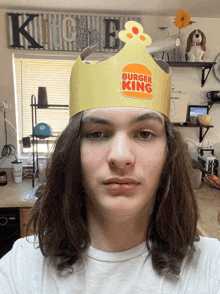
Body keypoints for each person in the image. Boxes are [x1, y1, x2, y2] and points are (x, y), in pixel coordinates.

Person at [0, 21, 220, 294]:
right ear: (72, 153)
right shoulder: (22, 269)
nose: (120, 156)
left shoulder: (211, 267)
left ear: (168, 153)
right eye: (96, 134)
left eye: (144, 134)